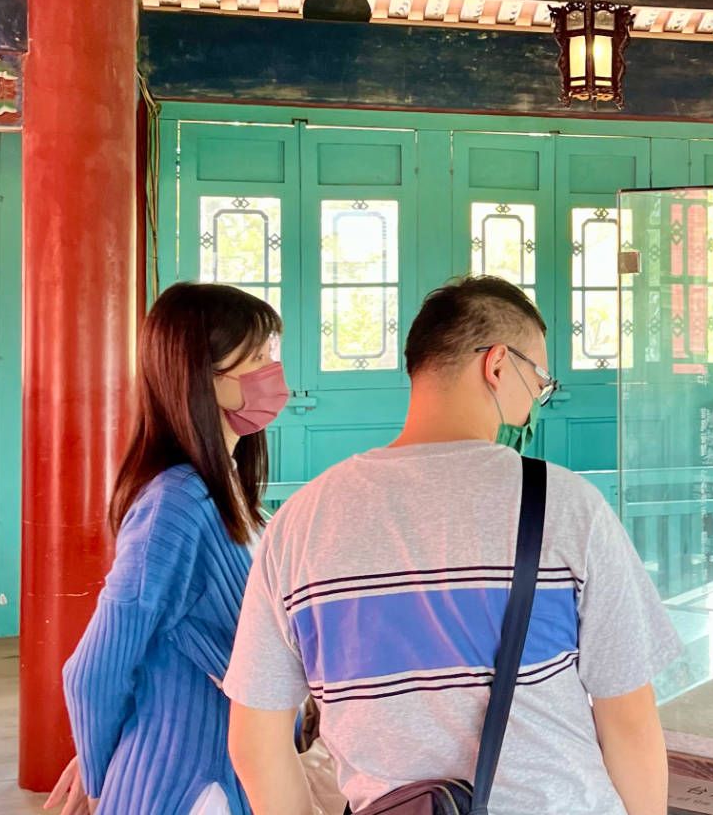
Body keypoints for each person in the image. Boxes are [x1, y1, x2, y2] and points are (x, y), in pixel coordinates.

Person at [225, 275, 681, 815]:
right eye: (538, 379)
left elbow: (255, 741)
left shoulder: (300, 524)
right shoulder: (567, 507)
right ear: (496, 365)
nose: (537, 400)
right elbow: (628, 723)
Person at [46, 282, 289, 815]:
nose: (274, 373)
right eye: (257, 358)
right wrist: (99, 776)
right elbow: (93, 670)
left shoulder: (227, 489)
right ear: (203, 378)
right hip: (191, 785)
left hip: (230, 774)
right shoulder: (175, 505)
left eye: (272, 354)